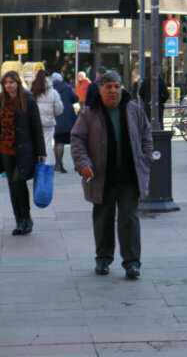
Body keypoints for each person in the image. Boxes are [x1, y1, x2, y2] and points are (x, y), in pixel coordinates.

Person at [71, 71, 153, 279]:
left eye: (117, 86)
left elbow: (146, 134)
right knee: (103, 220)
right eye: (108, 87)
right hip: (101, 177)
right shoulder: (90, 113)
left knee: (129, 220)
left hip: (129, 177)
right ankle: (103, 259)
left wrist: (146, 158)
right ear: (100, 89)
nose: (113, 91)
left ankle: (132, 263)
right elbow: (77, 140)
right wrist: (83, 163)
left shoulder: (133, 110)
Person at [0, 71, 46, 236]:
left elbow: (37, 127)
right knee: (12, 184)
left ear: (18, 83)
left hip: (24, 150)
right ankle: (19, 220)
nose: (8, 85)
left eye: (11, 82)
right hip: (5, 149)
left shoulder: (28, 100)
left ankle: (26, 218)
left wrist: (41, 151)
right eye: (6, 83)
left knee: (18, 181)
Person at [31, 69, 63, 169]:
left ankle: (34, 166)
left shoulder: (31, 90)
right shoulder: (53, 93)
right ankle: (43, 168)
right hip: (48, 124)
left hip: (34, 124)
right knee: (47, 147)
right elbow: (59, 110)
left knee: (34, 145)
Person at [51, 72, 79, 172]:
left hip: (54, 116)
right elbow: (75, 98)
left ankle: (58, 163)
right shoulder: (67, 87)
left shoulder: (49, 88)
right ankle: (61, 164)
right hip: (66, 117)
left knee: (58, 140)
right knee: (65, 141)